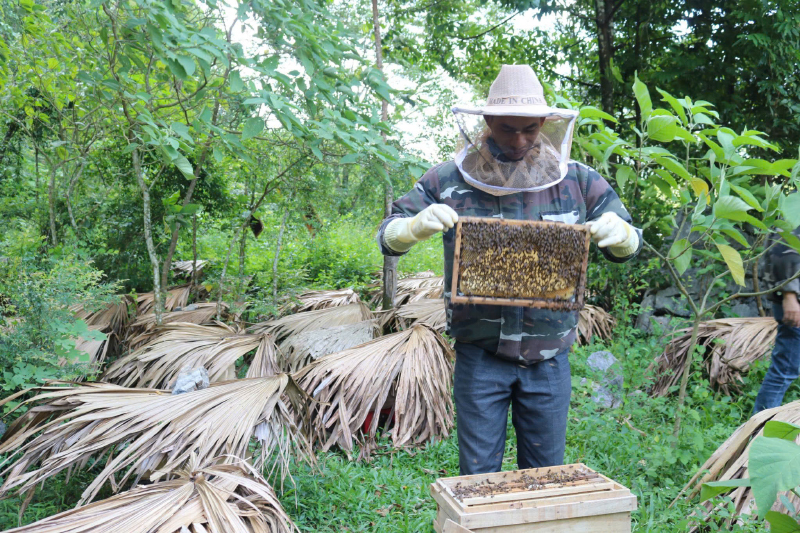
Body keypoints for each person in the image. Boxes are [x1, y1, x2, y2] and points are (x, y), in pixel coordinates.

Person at [376, 64, 642, 475]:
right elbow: (387, 235)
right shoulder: (448, 179)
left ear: (545, 124)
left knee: (543, 477)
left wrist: (621, 235)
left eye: (530, 129)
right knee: (479, 479)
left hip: (549, 362)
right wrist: (411, 228)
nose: (519, 140)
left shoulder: (579, 180)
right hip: (480, 358)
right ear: (486, 123)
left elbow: (629, 244)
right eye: (506, 129)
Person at [753, 229, 800, 413]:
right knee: (784, 371)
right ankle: (759, 431)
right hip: (796, 302)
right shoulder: (794, 210)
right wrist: (789, 295)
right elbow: (782, 249)